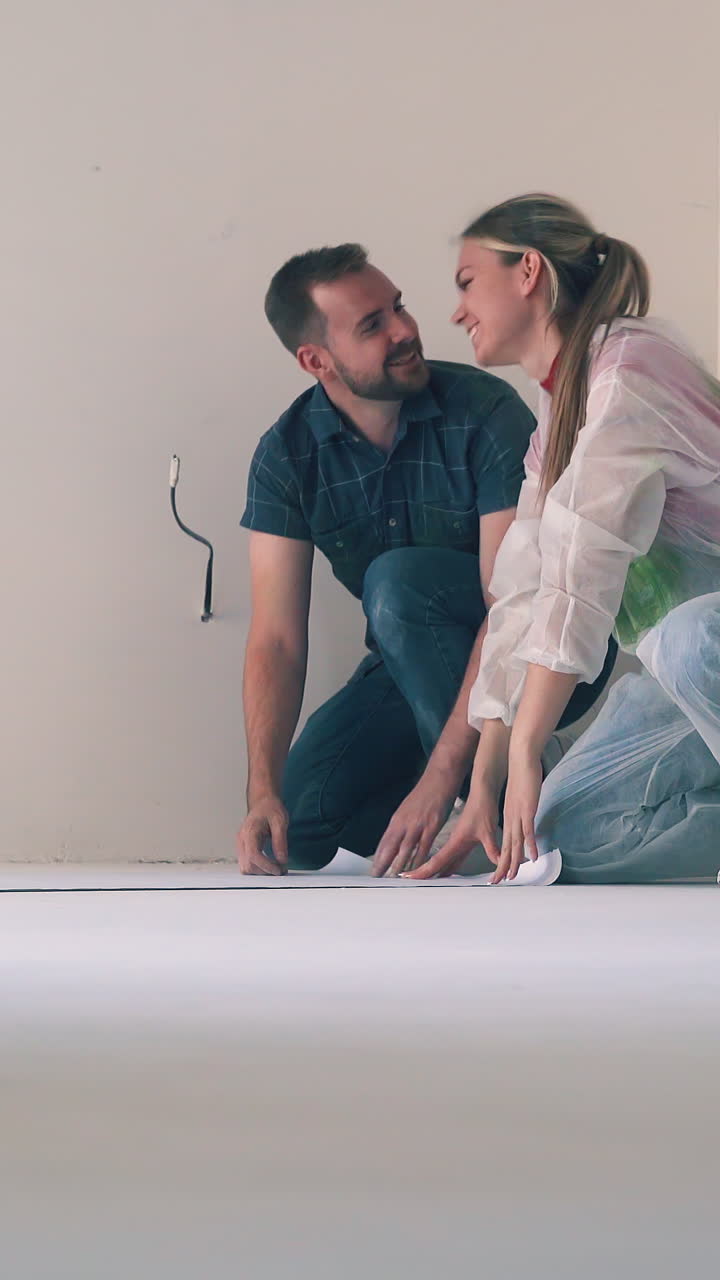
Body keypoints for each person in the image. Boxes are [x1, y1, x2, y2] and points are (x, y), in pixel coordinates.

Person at [236, 243, 616, 874]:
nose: (405, 330)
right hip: (406, 657)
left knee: (397, 582)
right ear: (315, 360)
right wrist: (261, 792)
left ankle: (512, 790)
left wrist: (444, 778)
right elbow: (275, 639)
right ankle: (470, 793)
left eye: (398, 307)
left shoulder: (484, 410)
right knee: (297, 832)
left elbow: (510, 603)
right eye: (372, 325)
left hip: (537, 653)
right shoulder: (287, 454)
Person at [406, 193, 720, 885]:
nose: (457, 310)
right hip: (690, 687)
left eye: (466, 282)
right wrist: (487, 779)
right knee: (554, 837)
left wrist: (529, 746)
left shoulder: (630, 371)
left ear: (528, 273)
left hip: (708, 655)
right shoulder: (555, 415)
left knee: (688, 639)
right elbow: (523, 596)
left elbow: (584, 568)